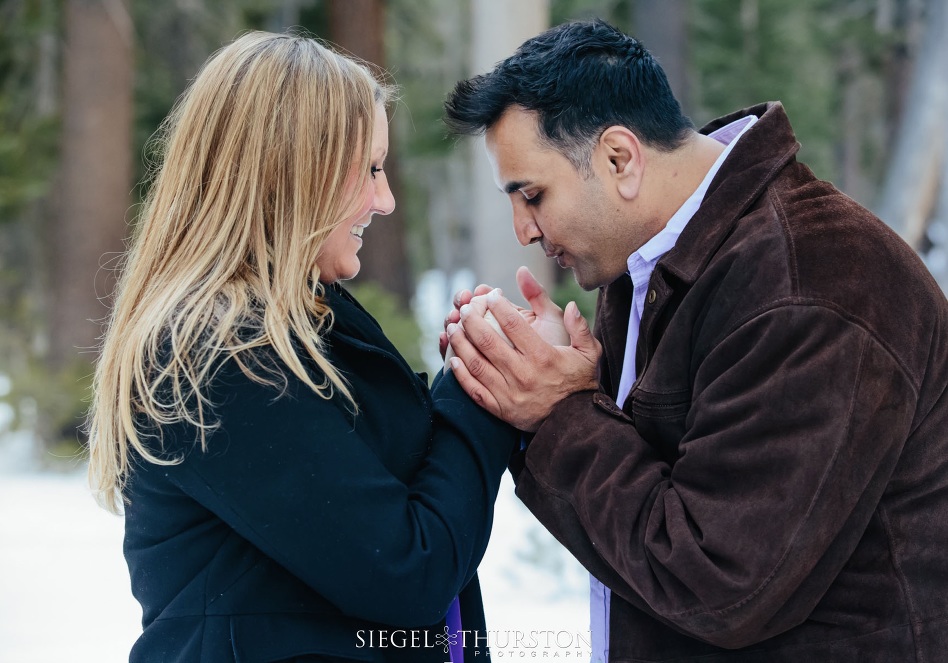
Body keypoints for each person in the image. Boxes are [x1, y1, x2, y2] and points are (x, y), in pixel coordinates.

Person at [441, 18, 948, 663]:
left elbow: (718, 584)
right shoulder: (662, 258)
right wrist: (561, 383)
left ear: (619, 158)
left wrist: (560, 415)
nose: (522, 230)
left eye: (532, 194)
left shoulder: (807, 286)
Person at [86, 31, 519, 662]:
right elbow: (405, 570)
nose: (386, 200)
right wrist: (482, 382)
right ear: (293, 168)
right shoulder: (213, 355)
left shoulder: (301, 318)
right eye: (370, 170)